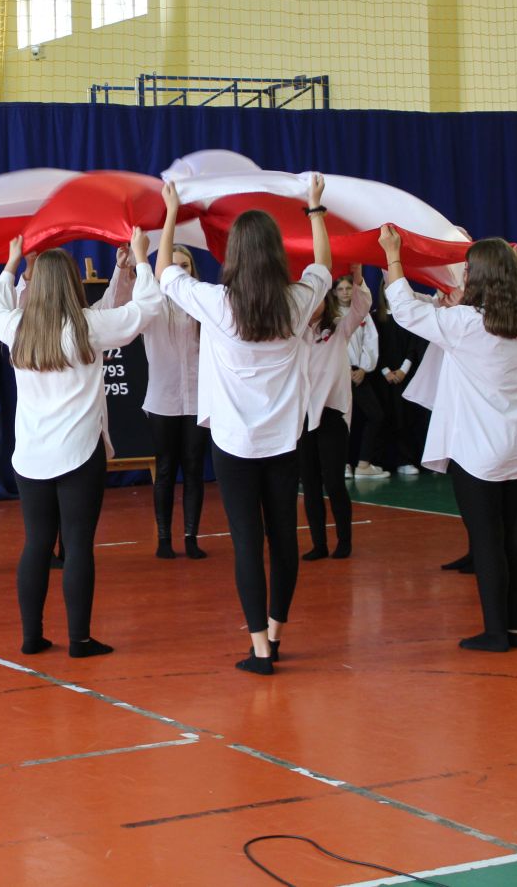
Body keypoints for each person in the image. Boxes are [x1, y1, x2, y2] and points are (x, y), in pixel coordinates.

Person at [156, 177, 332, 676]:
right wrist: (314, 208)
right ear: (277, 254)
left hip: (234, 444)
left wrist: (170, 214)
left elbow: (166, 272)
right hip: (284, 442)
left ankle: (259, 649)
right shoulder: (296, 302)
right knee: (283, 538)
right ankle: (275, 634)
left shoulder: (218, 304)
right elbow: (323, 266)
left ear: (234, 255)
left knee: (247, 543)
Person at [0, 233, 162, 658]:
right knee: (79, 545)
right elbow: (145, 308)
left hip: (30, 458)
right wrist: (141, 260)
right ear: (72, 283)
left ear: (36, 285)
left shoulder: (18, 327)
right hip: (80, 455)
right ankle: (79, 640)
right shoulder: (86, 327)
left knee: (36, 543)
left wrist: (12, 265)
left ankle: (31, 637)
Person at [380, 225, 517, 652]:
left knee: (487, 541)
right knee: (509, 537)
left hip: (479, 450)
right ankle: (513, 628)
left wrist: (393, 256)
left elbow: (404, 310)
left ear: (478, 277)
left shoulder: (468, 324)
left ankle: (496, 633)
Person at [105, 244, 210, 560]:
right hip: (162, 399)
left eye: (185, 266)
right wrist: (123, 269)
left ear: (192, 270)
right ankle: (164, 538)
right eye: (172, 265)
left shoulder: (203, 303)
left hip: (198, 399)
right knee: (165, 468)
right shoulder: (152, 304)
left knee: (194, 469)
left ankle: (191, 537)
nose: (179, 271)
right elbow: (116, 306)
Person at [299, 263, 373, 560]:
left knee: (334, 483)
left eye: (317, 298)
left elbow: (362, 306)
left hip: (332, 415)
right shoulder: (293, 332)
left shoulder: (339, 327)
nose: (312, 305)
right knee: (310, 485)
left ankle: (344, 540)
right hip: (302, 417)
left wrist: (358, 278)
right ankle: (318, 543)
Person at [341, 272, 388, 479]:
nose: (345, 293)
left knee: (375, 415)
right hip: (339, 374)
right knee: (341, 420)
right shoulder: (330, 313)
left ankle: (363, 464)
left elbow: (370, 341)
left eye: (348, 288)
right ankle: (342, 464)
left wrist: (363, 368)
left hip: (358, 372)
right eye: (340, 289)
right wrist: (342, 370)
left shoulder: (362, 314)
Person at [376, 287, 427, 477]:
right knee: (386, 417)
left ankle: (405, 460)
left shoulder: (407, 316)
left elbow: (414, 345)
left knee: (405, 418)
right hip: (383, 377)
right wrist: (385, 371)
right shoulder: (376, 317)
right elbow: (374, 346)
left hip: (405, 375)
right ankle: (384, 461)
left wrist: (404, 369)